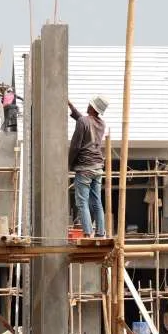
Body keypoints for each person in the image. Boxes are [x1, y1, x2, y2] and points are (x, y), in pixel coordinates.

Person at [68, 95, 108, 237]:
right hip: (97, 167)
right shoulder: (101, 124)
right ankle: (100, 233)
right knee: (97, 201)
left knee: (82, 202)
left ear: (92, 107)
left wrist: (69, 164)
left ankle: (87, 233)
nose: (87, 105)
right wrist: (71, 106)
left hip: (84, 168)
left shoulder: (83, 122)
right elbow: (84, 121)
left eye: (89, 104)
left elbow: (75, 146)